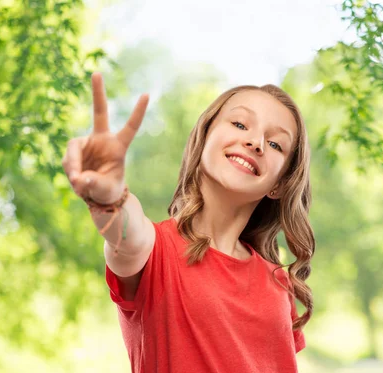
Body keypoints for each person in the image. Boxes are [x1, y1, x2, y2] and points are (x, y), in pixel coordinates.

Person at [62, 72, 315, 373]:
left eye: (275, 144)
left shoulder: (278, 282)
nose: (256, 142)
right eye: (239, 124)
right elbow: (125, 232)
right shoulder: (155, 251)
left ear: (280, 184)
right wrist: (109, 196)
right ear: (204, 137)